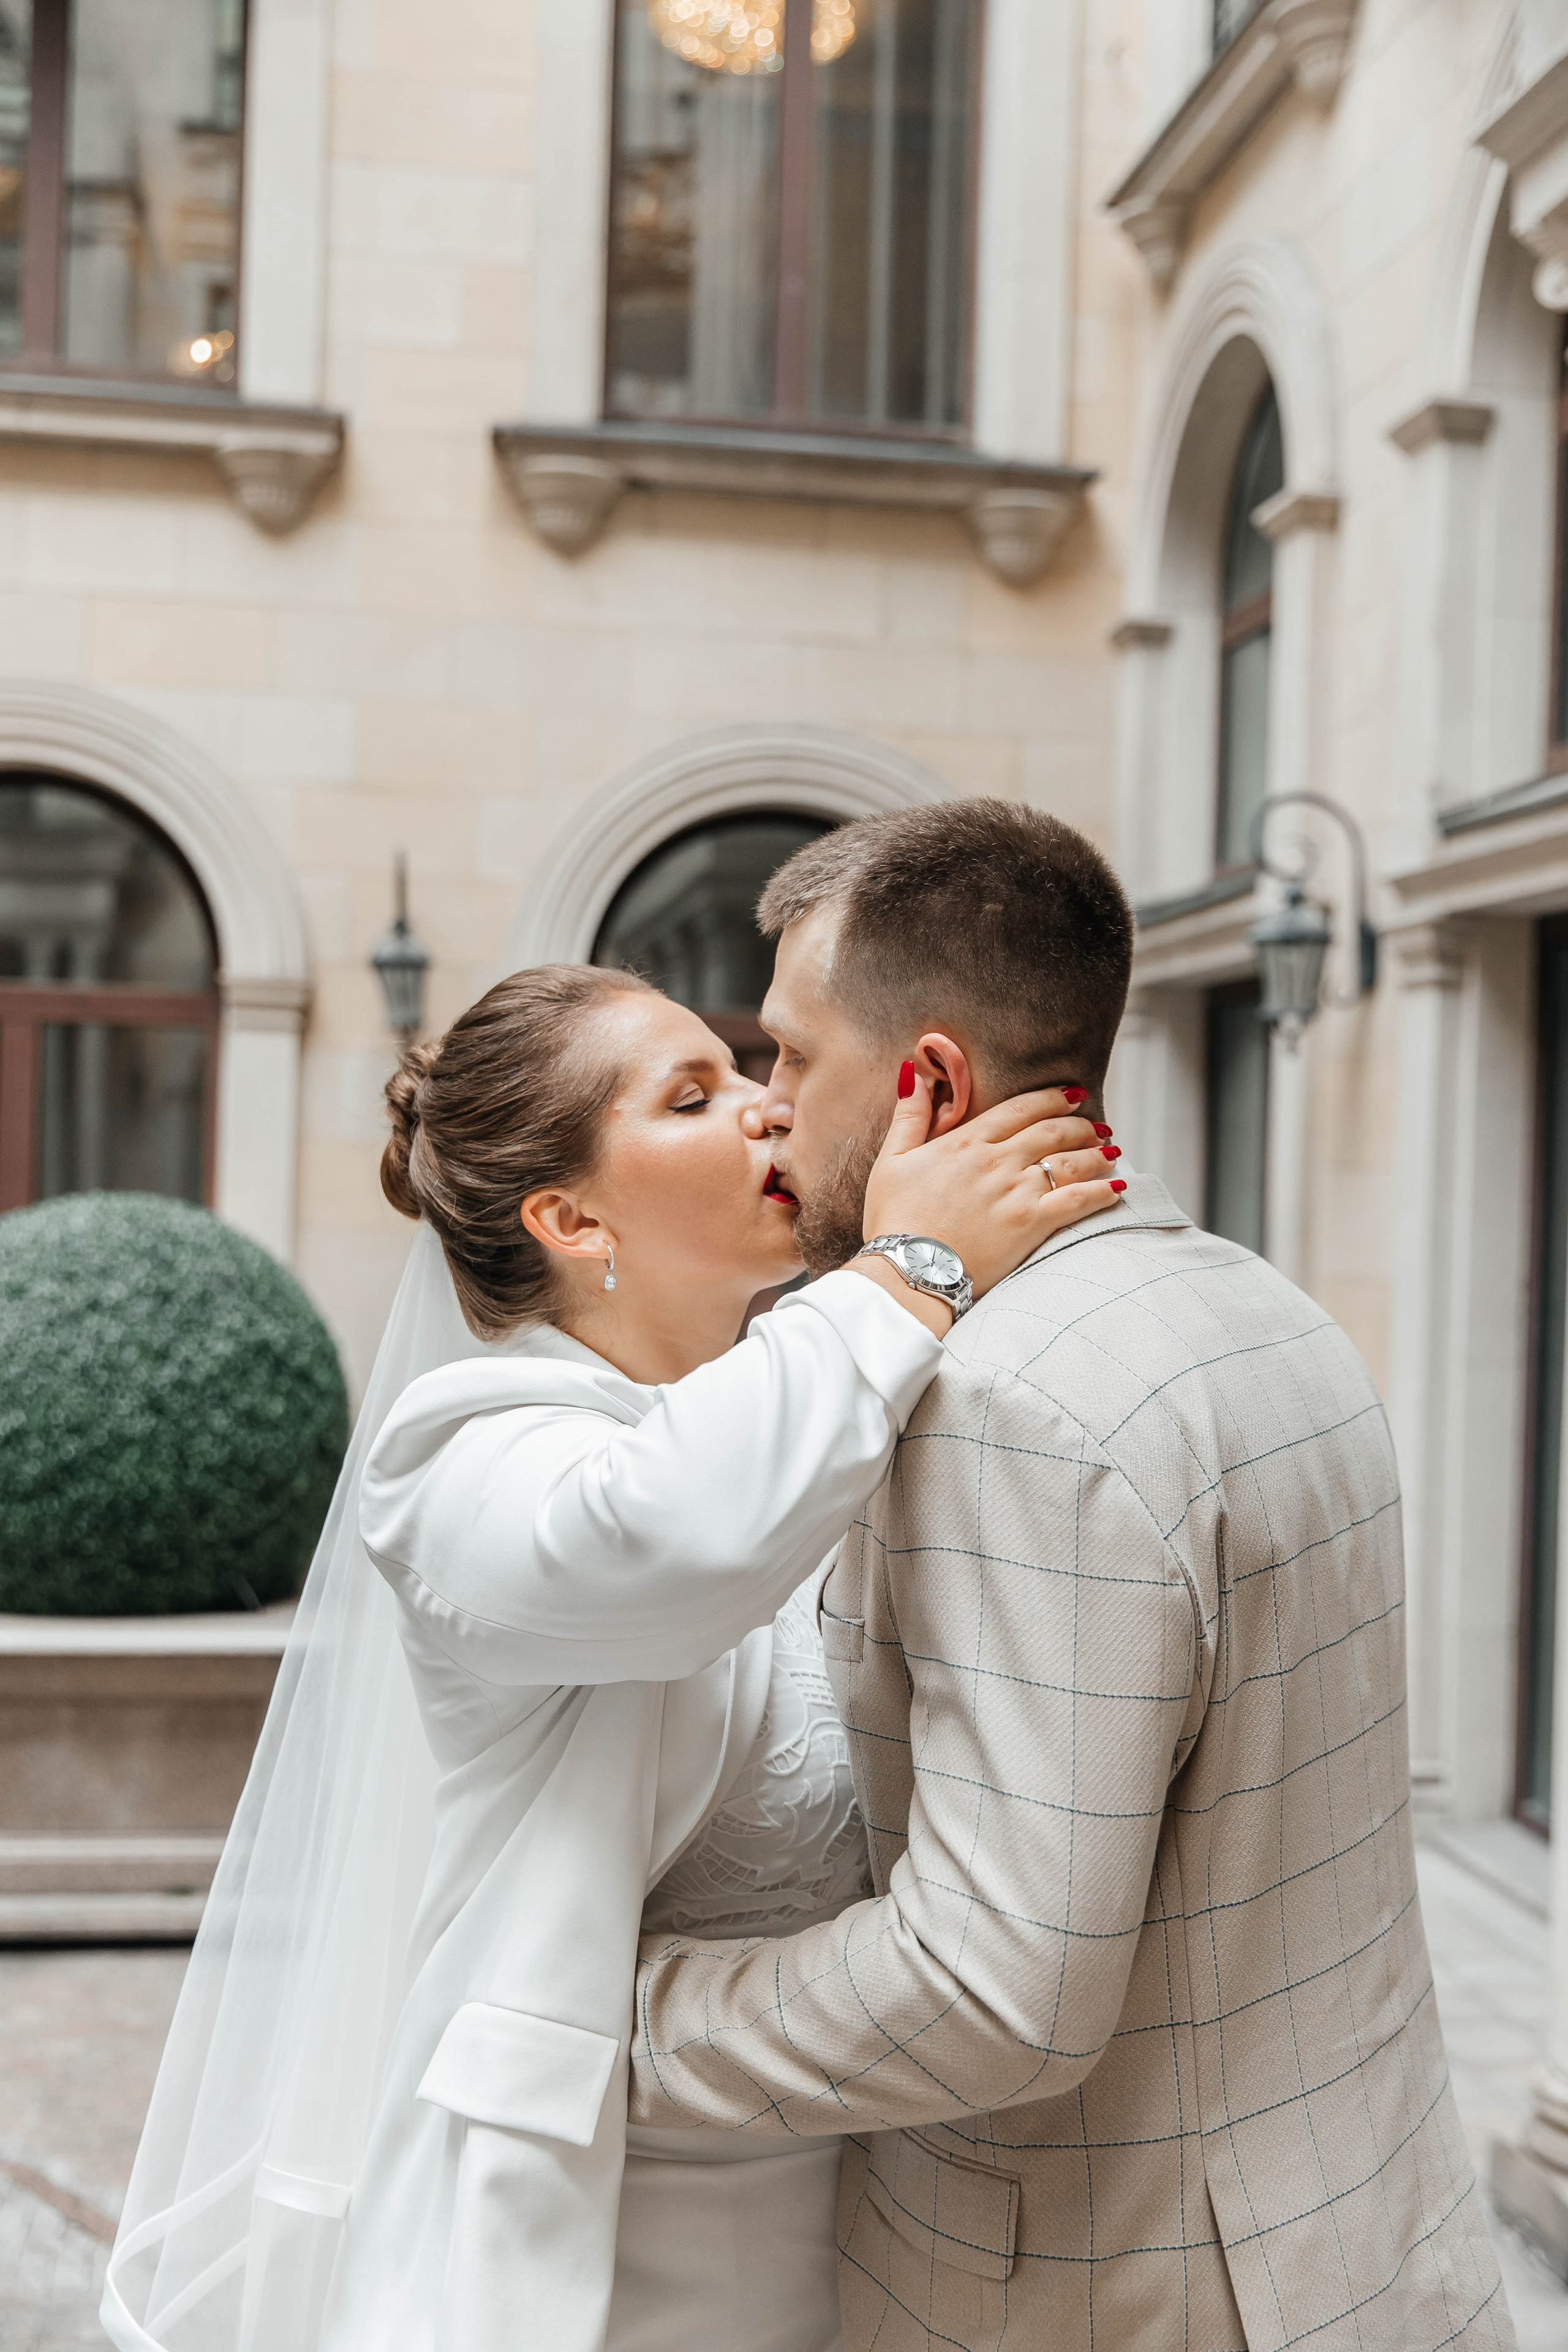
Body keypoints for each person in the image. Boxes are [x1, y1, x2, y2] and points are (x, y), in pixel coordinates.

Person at [100, 956, 1119, 2352]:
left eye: (751, 1072)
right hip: (580, 2247)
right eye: (692, 1096)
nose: (765, 1112)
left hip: (850, 2224)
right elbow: (677, 1538)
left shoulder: (824, 1416)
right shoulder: (455, 1459)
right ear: (572, 1216)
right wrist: (915, 1265)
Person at [628, 799, 1516, 2352]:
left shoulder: (1003, 1403)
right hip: (1365, 2242)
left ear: (929, 1085)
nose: (769, 1107)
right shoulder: (1267, 1305)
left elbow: (991, 1990)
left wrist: (601, 2030)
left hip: (1113, 2290)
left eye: (788, 1055)